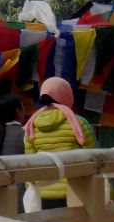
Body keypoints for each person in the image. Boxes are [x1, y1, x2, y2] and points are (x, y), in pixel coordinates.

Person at [23, 77, 97, 209]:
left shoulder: (31, 125)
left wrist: (30, 189)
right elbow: (95, 158)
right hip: (75, 192)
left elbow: (30, 163)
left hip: (42, 193)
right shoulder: (78, 123)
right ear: (67, 94)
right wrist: (108, 191)